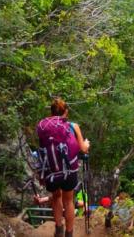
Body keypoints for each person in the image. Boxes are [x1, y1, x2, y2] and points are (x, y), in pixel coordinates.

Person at [37, 98, 90, 237]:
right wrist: (86, 143)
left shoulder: (44, 127)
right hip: (69, 170)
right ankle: (69, 233)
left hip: (51, 170)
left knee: (56, 197)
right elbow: (83, 149)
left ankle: (59, 229)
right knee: (68, 201)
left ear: (52, 112)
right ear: (66, 112)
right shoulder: (73, 126)